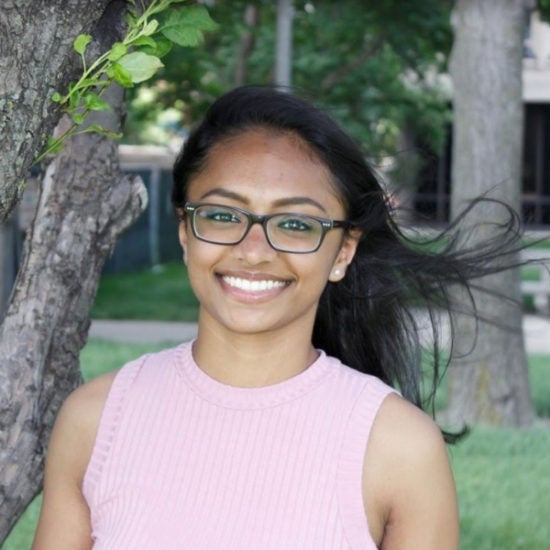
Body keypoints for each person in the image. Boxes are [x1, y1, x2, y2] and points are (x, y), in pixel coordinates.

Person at [33, 85, 523, 549]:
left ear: (342, 252)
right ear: (185, 231)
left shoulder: (400, 448)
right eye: (224, 215)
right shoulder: (97, 420)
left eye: (295, 224)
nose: (253, 251)